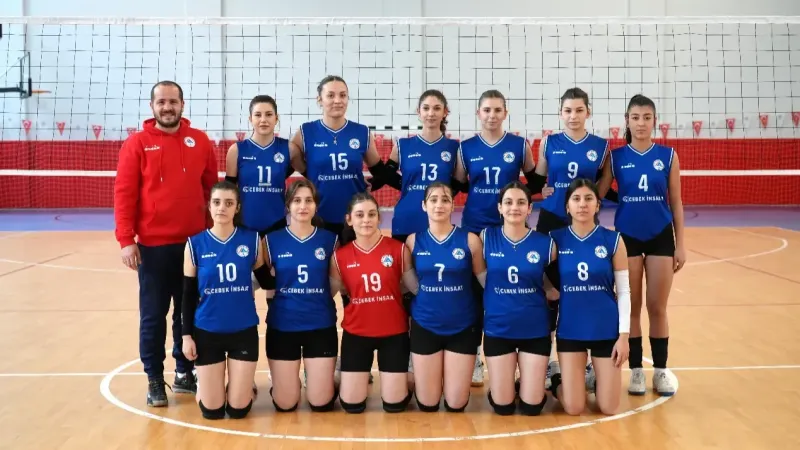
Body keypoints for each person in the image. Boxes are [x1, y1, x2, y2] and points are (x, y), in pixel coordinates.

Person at [114, 80, 218, 407]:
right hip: (153, 247)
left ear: (182, 104)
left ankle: (184, 372)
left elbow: (210, 191)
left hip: (194, 245)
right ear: (152, 106)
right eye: (161, 102)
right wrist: (126, 239)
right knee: (153, 316)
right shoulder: (137, 143)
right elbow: (124, 194)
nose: (167, 107)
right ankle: (154, 379)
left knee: (187, 315)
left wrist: (213, 236)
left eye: (173, 101)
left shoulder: (200, 141)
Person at [452, 89, 537, 387]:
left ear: (505, 113)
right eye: (486, 110)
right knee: (475, 293)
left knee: (512, 289)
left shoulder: (519, 145)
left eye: (497, 110)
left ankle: (522, 355)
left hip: (510, 229)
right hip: (475, 227)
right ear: (479, 113)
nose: (492, 115)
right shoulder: (465, 148)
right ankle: (475, 355)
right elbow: (459, 184)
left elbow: (533, 181)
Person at [531, 87, 613, 391]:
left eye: (579, 110)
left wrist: (594, 199)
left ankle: (590, 362)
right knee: (548, 292)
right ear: (560, 113)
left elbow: (605, 180)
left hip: (584, 223)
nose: (573, 116)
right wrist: (541, 191)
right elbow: (537, 180)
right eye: (568, 110)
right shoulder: (549, 142)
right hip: (552, 220)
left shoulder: (601, 147)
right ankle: (549, 360)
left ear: (588, 112)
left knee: (586, 289)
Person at [605, 94, 685, 396]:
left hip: (661, 236)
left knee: (657, 307)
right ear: (627, 121)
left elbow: (675, 201)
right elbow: (596, 192)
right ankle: (637, 370)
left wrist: (681, 244)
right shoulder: (616, 157)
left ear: (654, 121)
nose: (641, 123)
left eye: (647, 117)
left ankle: (661, 371)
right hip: (627, 237)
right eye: (635, 117)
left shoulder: (668, 155)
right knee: (632, 307)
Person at [181, 181, 268, 420]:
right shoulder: (195, 244)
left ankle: (244, 387)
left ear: (237, 208)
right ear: (209, 206)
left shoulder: (252, 240)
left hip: (243, 330)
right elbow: (188, 295)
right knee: (212, 411)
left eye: (229, 203)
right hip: (207, 331)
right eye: (217, 202)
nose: (222, 208)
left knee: (238, 410)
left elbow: (267, 281)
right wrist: (186, 336)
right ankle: (207, 386)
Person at [547, 178, 631, 415]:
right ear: (567, 207)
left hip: (606, 329)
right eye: (576, 199)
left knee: (609, 408)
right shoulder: (555, 239)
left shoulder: (613, 240)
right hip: (570, 329)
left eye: (588, 198)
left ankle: (596, 379)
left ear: (597, 205)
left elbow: (624, 291)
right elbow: (535, 273)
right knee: (574, 408)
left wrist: (624, 337)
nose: (582, 204)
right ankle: (558, 381)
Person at [403, 182, 485, 412]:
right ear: (424, 205)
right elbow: (410, 283)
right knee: (427, 404)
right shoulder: (412, 241)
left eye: (445, 199)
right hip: (425, 325)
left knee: (456, 404)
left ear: (453, 205)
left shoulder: (470, 240)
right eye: (433, 200)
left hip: (462, 326)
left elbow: (484, 281)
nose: (439, 205)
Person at [329, 193, 414, 413]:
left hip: (394, 334)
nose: (366, 220)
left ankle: (411, 375)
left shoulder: (398, 249)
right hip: (357, 334)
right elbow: (330, 293)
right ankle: (338, 375)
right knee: (351, 405)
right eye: (359, 215)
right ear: (349, 220)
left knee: (395, 405)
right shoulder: (340, 257)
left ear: (379, 218)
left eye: (371, 214)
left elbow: (413, 288)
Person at [263, 179, 339, 412]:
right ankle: (284, 383)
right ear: (288, 206)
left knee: (321, 403)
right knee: (285, 404)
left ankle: (331, 380)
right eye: (297, 201)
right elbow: (264, 283)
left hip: (320, 325)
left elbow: (334, 285)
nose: (303, 206)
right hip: (283, 327)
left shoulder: (330, 240)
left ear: (316, 205)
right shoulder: (271, 240)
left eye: (308, 200)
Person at [481, 181, 554, 416]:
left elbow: (553, 287)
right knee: (503, 407)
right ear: (500, 208)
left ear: (530, 208)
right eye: (509, 202)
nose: (515, 207)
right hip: (498, 329)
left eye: (521, 202)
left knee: (532, 408)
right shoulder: (485, 238)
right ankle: (504, 388)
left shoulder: (546, 244)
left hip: (535, 330)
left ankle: (548, 379)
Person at [288, 75, 391, 240]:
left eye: (343, 95)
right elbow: (291, 158)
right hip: (319, 216)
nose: (337, 100)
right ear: (319, 100)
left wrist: (371, 183)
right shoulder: (306, 132)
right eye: (330, 95)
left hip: (355, 218)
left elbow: (381, 172)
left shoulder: (361, 132)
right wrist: (310, 173)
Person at [225, 95, 294, 303]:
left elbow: (310, 173)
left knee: (274, 278)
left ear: (276, 118)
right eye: (258, 115)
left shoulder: (288, 148)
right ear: (250, 119)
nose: (263, 119)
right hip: (246, 225)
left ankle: (275, 319)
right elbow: (228, 192)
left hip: (276, 224)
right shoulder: (237, 150)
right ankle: (245, 320)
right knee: (245, 280)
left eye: (268, 114)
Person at [383, 89, 461, 244]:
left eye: (437, 108)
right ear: (419, 112)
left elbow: (459, 183)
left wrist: (442, 197)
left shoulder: (454, 148)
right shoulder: (402, 145)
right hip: (406, 220)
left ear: (445, 112)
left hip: (438, 220)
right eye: (426, 108)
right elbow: (386, 175)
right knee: (404, 260)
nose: (431, 113)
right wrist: (405, 185)